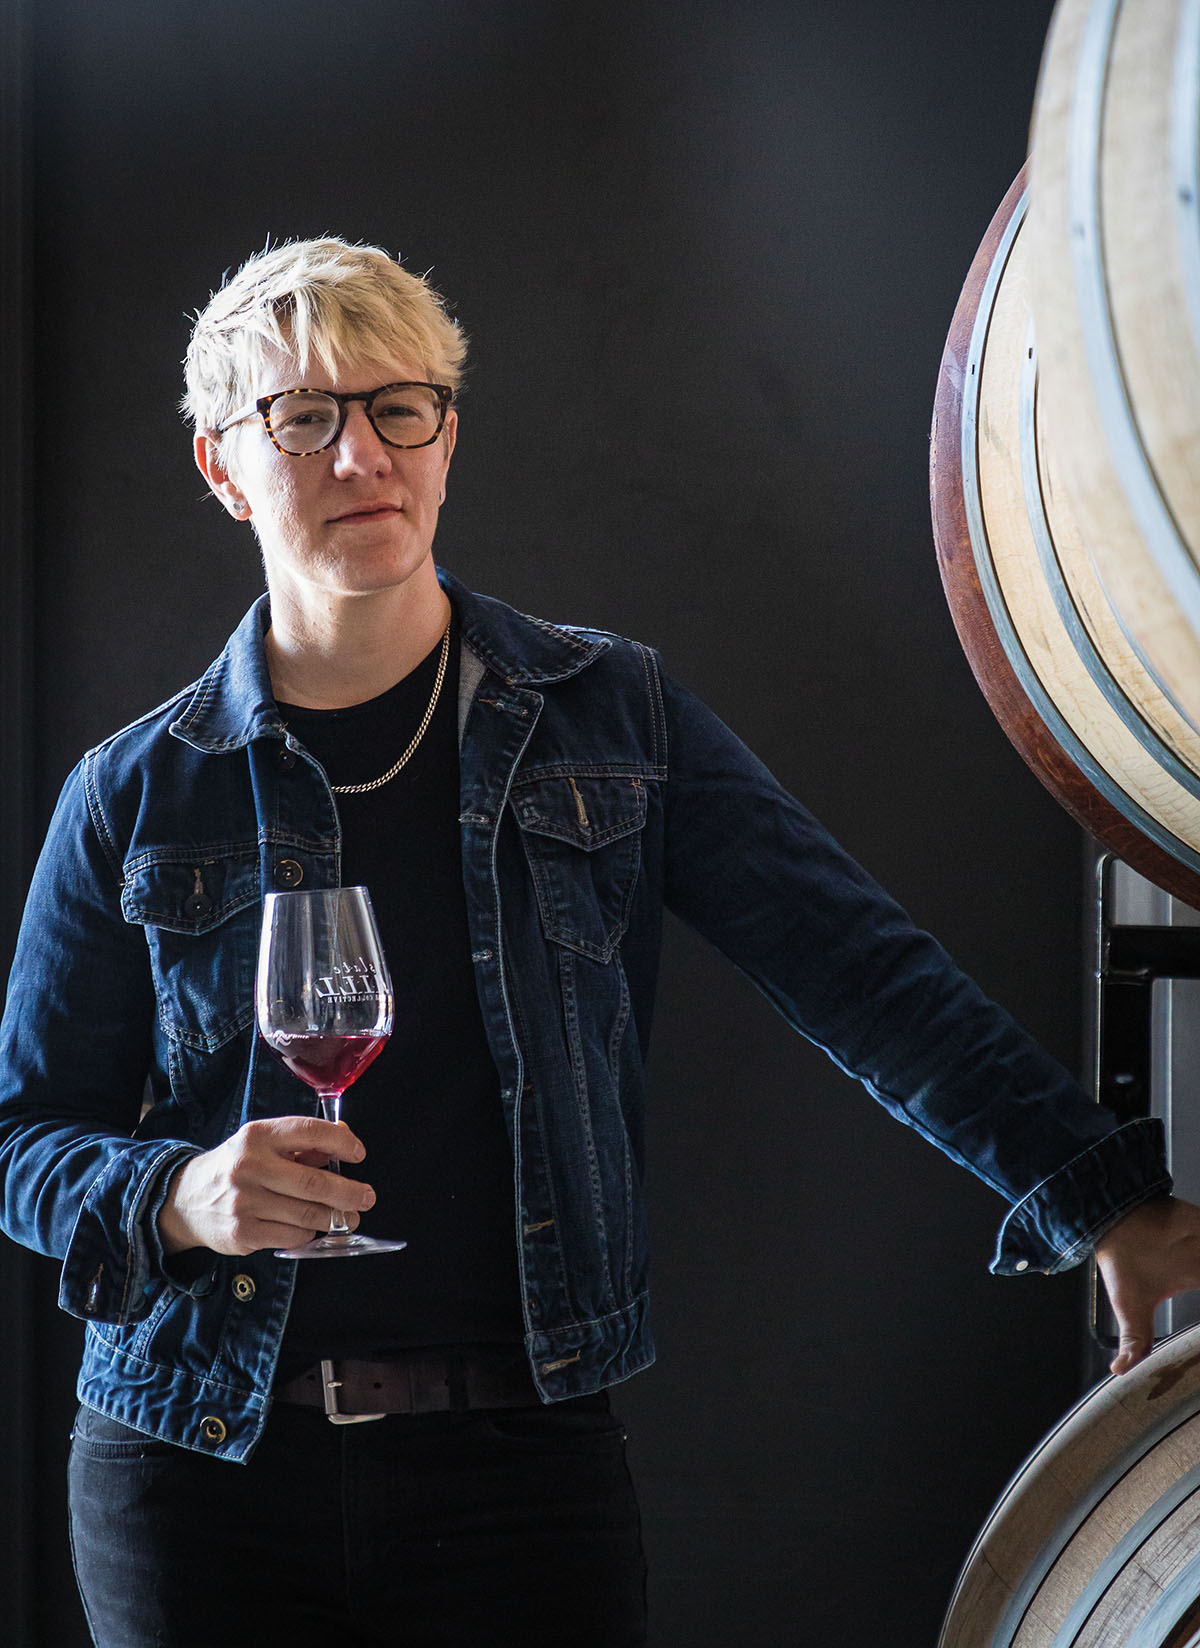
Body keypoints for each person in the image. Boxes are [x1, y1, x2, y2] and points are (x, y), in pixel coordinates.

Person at [1, 235, 1199, 1648]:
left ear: (447, 436)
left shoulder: (607, 713)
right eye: (302, 417)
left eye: (400, 407)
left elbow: (858, 971)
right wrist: (179, 1197)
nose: (359, 454)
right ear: (224, 467)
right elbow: (27, 1138)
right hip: (194, 1468)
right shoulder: (136, 788)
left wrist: (1098, 1195)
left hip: (515, 1468)